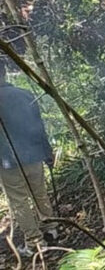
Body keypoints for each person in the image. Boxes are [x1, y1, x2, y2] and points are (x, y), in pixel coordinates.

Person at [0, 62, 57, 257]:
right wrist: (47, 151)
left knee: (19, 201)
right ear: (4, 72)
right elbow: (38, 126)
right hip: (33, 154)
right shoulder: (25, 94)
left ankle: (35, 243)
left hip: (7, 160)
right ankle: (51, 230)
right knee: (40, 193)